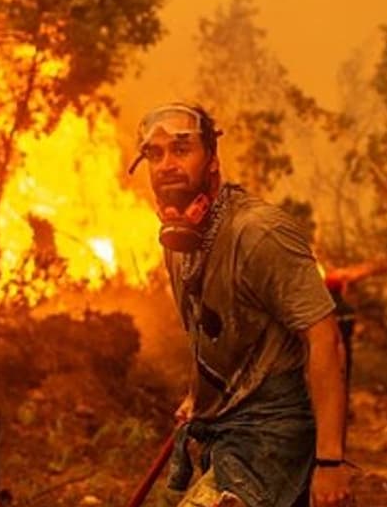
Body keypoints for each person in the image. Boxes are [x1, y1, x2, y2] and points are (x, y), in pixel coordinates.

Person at [128, 103, 354, 507]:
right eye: (154, 154)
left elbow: (326, 341)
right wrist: (198, 396)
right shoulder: (178, 246)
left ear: (213, 160)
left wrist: (330, 462)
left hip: (277, 438)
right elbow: (218, 335)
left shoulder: (259, 233)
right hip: (227, 433)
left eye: (182, 149)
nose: (166, 164)